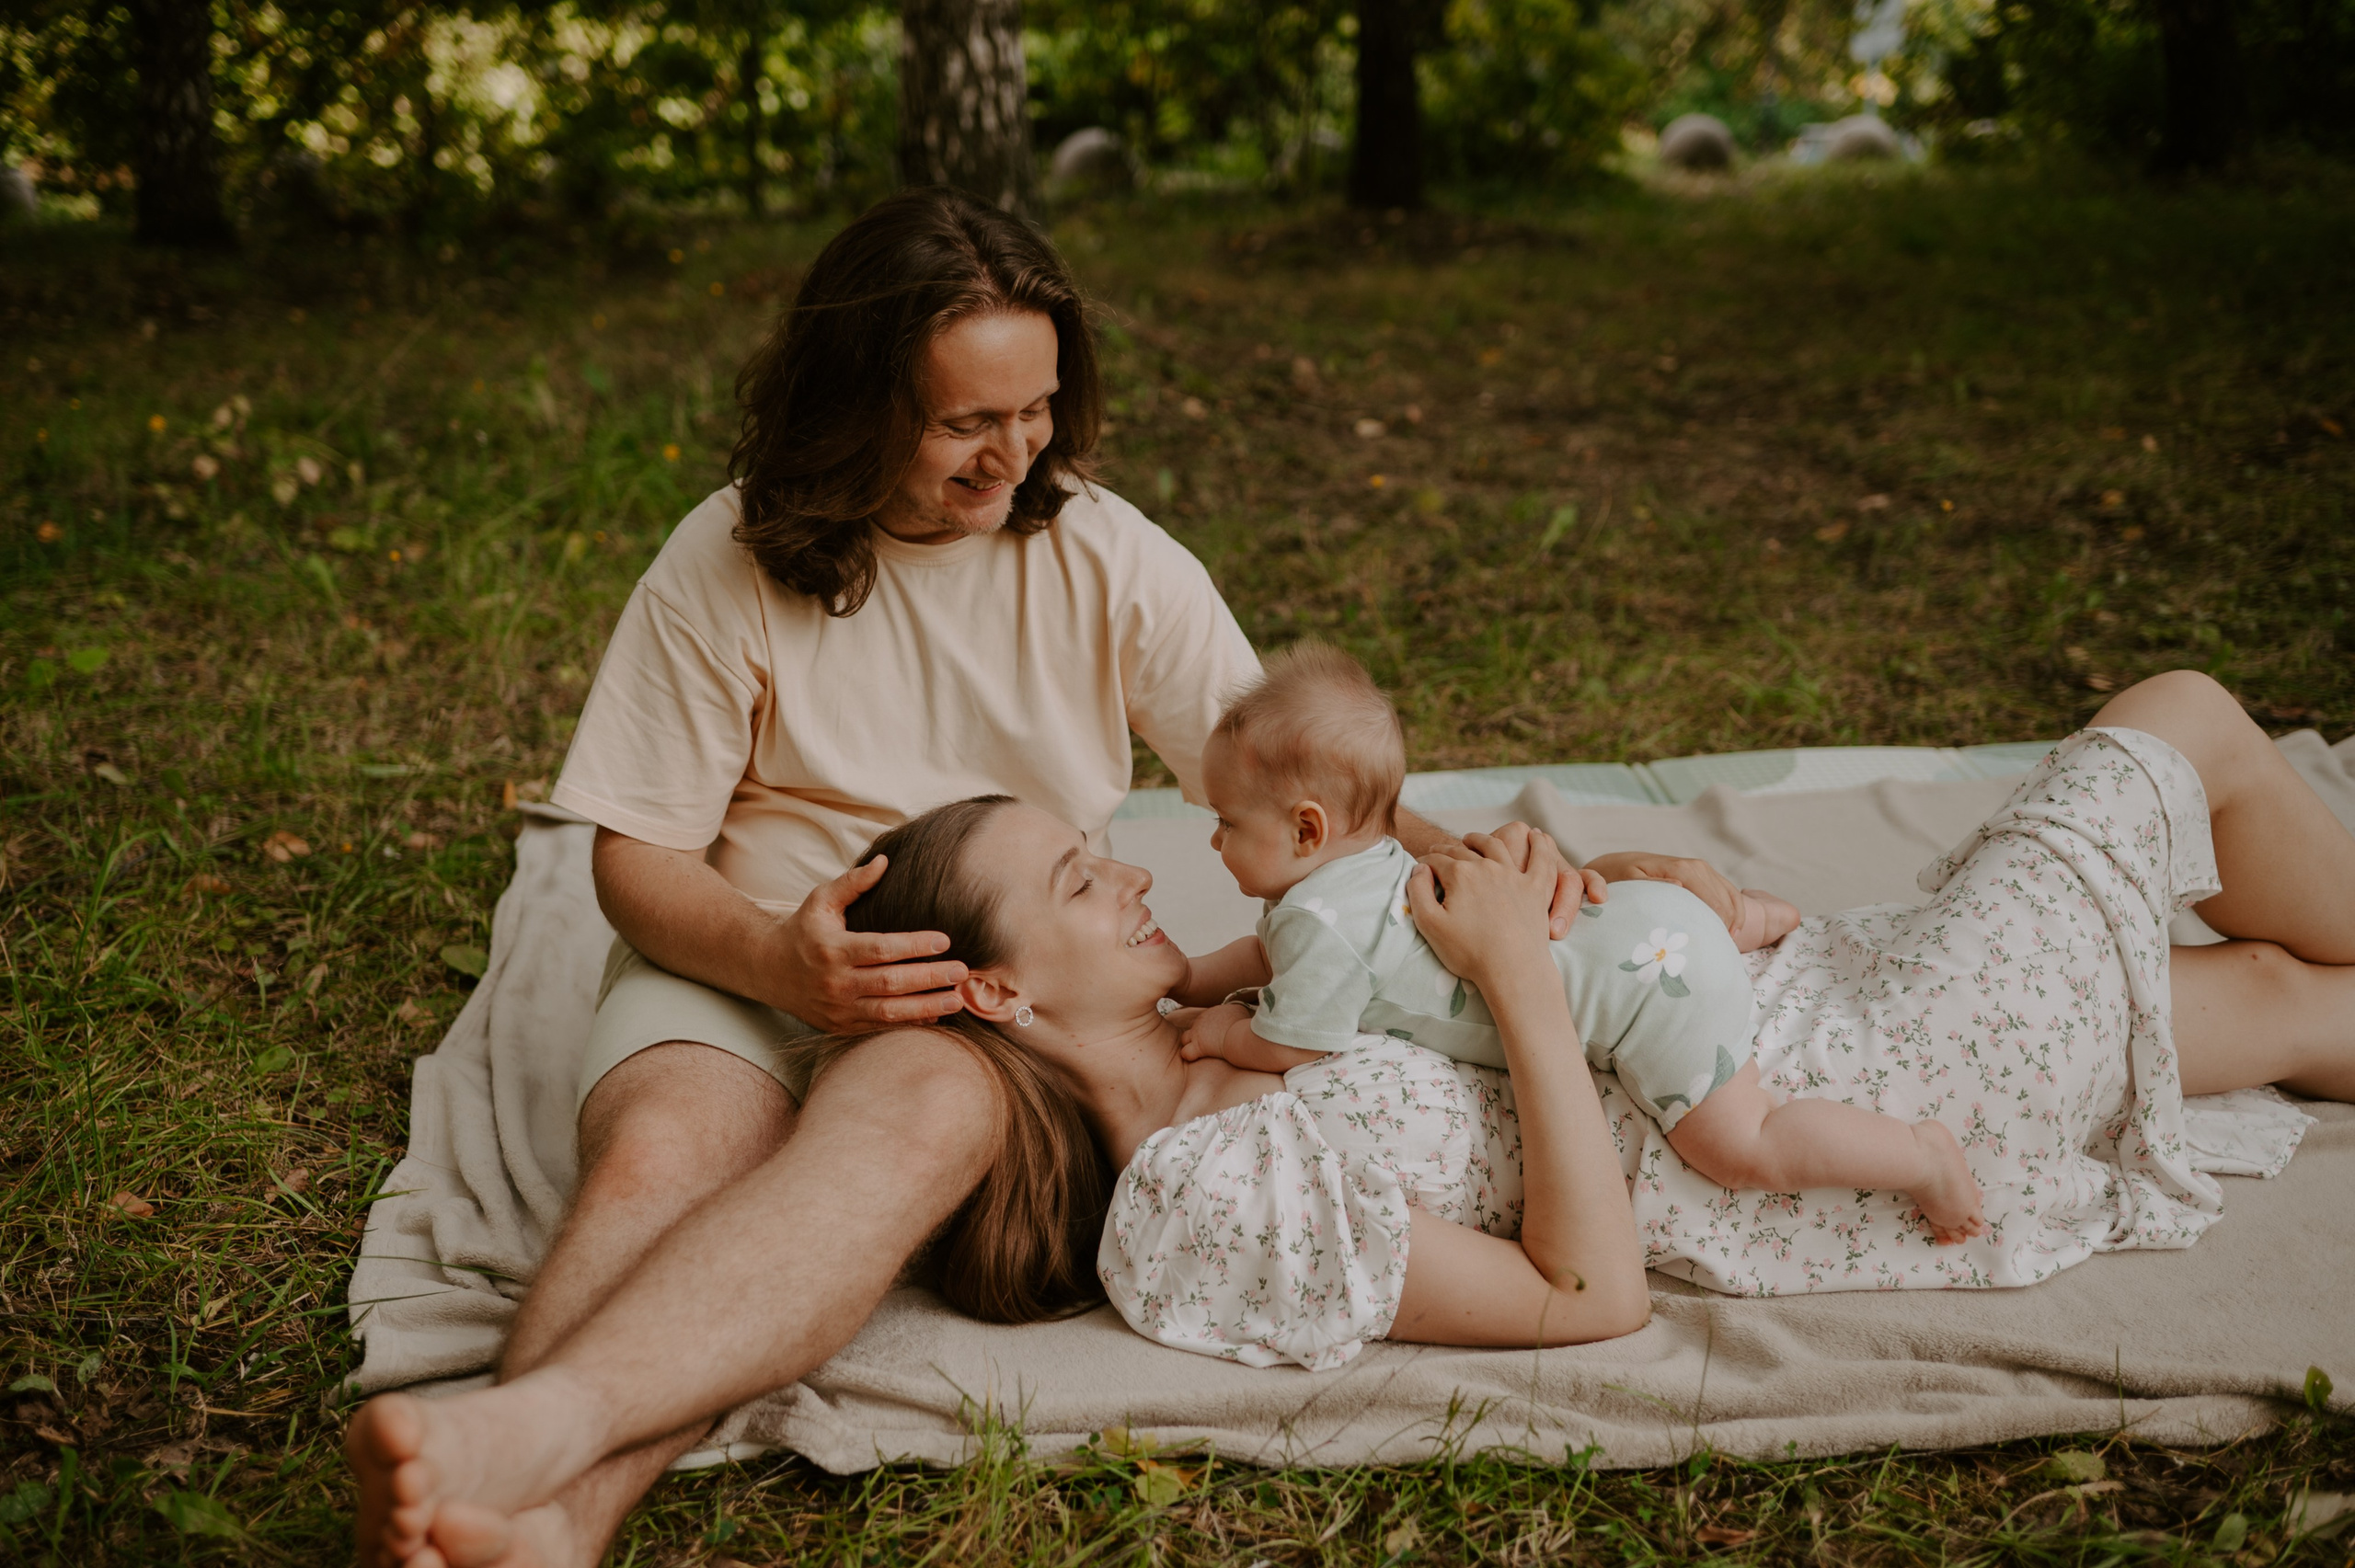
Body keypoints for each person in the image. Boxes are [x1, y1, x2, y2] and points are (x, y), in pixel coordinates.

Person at [342, 187, 1631, 1568]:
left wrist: (1484, 863)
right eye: (966, 421)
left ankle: (540, 1489)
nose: (1013, 453)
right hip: (746, 949)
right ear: (858, 405)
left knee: (912, 1122)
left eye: (1037, 409)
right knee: (666, 1157)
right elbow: (633, 855)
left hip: (983, 998)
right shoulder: (724, 560)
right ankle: (519, 1503)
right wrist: (777, 960)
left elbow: (1294, 783)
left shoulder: (1103, 553)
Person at [831, 669, 2349, 1368]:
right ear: (1001, 992)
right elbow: (1584, 1296)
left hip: (1778, 1002)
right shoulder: (1205, 1186)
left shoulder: (1242, 1003)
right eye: (1080, 879)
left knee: (2286, 1001)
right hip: (1862, 1086)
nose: (1131, 875)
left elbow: (1434, 950)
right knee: (2184, 719)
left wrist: (1581, 885)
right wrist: (1519, 978)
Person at [1168, 642, 1988, 1244]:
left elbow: (1295, 1040)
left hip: (1652, 1001)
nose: (1213, 841)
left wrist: (1224, 1031)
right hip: (1644, 918)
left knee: (1743, 1145)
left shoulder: (1318, 922)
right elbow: (1269, 959)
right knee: (1651, 921)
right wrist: (1191, 975)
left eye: (1226, 823)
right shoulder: (1363, 867)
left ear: (1307, 829)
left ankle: (1919, 1156)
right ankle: (1753, 920)